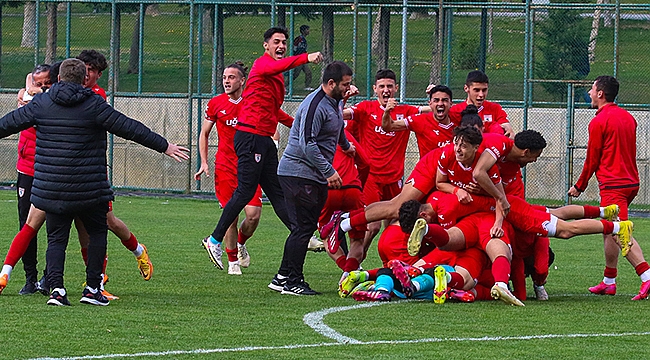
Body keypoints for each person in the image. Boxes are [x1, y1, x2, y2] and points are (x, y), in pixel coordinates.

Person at [0, 58, 189, 306]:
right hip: (89, 187)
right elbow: (129, 128)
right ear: (82, 80)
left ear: (58, 79)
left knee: (56, 238)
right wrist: (164, 146)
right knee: (98, 233)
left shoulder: (42, 103)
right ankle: (92, 289)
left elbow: (8, 124)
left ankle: (57, 289)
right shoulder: (94, 104)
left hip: (52, 187)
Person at [202, 27, 323, 275]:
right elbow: (278, 68)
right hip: (251, 137)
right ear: (266, 46)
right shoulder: (263, 65)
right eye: (276, 42)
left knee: (277, 192)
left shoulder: (272, 77)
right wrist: (306, 57)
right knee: (245, 190)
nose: (281, 46)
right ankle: (214, 240)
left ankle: (300, 232)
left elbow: (275, 111)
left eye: (284, 43)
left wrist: (302, 126)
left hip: (263, 139)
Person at [270, 61, 354, 296]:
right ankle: (293, 281)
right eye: (345, 85)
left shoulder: (334, 102)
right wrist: (329, 170)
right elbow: (308, 144)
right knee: (303, 228)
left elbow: (336, 128)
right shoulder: (315, 104)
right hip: (297, 173)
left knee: (303, 228)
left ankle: (282, 276)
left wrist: (346, 146)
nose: (348, 89)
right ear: (330, 84)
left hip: (312, 174)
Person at [568, 75, 650, 301]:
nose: (590, 94)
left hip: (614, 185)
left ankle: (646, 276)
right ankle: (609, 281)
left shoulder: (598, 121)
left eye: (592, 90)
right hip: (631, 182)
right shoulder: (628, 118)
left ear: (601, 93)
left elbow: (592, 159)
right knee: (610, 230)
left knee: (619, 232)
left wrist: (579, 186)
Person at [195, 62, 262, 275]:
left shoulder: (252, 103)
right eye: (225, 77)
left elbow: (270, 130)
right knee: (230, 216)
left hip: (249, 166)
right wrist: (204, 161)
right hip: (225, 167)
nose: (226, 81)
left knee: (253, 215)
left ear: (243, 81)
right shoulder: (216, 104)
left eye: (232, 77)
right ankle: (233, 261)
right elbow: (204, 133)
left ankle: (240, 243)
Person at [382, 85, 455, 157]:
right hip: (428, 168)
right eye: (436, 100)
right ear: (430, 103)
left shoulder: (459, 119)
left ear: (451, 103)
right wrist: (387, 112)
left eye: (444, 100)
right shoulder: (420, 120)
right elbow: (389, 127)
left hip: (452, 168)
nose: (440, 104)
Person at [449, 70, 515, 137]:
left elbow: (505, 126)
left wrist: (508, 128)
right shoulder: (455, 111)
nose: (481, 94)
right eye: (476, 90)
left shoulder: (495, 108)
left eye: (484, 90)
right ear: (466, 88)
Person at [288, 24, 313, 91]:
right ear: (303, 31)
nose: (308, 31)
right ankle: (284, 85)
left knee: (308, 72)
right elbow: (294, 48)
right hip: (298, 59)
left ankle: (307, 86)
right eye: (307, 29)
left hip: (303, 59)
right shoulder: (299, 39)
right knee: (295, 74)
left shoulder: (304, 40)